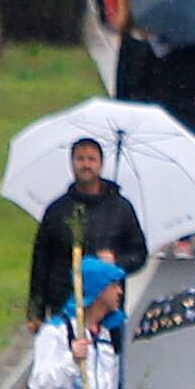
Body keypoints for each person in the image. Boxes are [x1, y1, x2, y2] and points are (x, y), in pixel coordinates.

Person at [29, 136, 152, 325]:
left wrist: (117, 260)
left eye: (91, 159)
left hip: (107, 310)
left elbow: (139, 254)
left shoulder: (121, 208)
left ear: (101, 164)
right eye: (80, 159)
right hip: (64, 305)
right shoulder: (57, 210)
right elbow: (41, 262)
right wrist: (36, 311)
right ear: (72, 163)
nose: (86, 165)